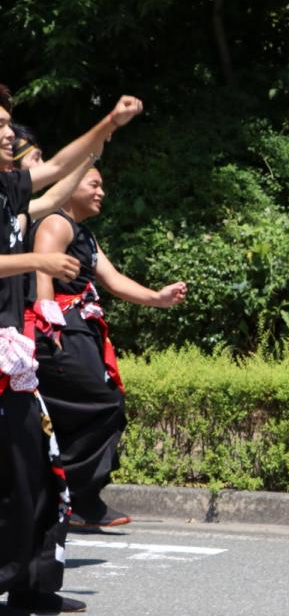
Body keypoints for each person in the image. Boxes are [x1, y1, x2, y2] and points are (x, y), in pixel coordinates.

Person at [0, 84, 143, 616]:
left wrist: (107, 123)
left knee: (41, 472)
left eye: (10, 124)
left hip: (12, 357)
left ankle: (33, 587)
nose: (10, 133)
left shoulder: (10, 189)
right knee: (19, 474)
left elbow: (60, 169)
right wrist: (38, 270)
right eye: (0, 126)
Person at [28, 164, 187, 528]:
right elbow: (43, 274)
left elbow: (113, 280)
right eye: (94, 184)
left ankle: (72, 495)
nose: (102, 192)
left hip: (80, 330)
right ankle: (68, 493)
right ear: (69, 185)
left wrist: (157, 297)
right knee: (101, 404)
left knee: (104, 404)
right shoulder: (56, 224)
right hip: (59, 330)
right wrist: (49, 325)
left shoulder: (84, 235)